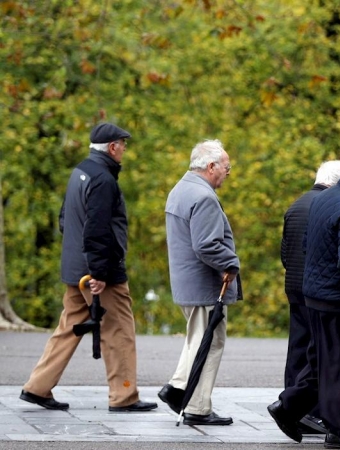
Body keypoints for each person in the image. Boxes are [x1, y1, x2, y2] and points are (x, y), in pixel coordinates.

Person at [20, 123, 158, 412]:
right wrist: (99, 272)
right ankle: (124, 396)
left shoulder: (80, 172)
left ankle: (37, 387)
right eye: (123, 144)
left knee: (69, 327)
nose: (124, 149)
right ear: (111, 147)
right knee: (119, 329)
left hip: (75, 267)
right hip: (97, 273)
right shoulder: (104, 181)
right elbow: (97, 230)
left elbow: (64, 219)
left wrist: (81, 262)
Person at [267, 148, 340, 450]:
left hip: (313, 298)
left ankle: (288, 408)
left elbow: (307, 246)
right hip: (335, 301)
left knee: (322, 364)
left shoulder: (322, 200)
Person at [158, 139, 241, 426]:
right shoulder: (203, 196)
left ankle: (179, 390)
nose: (228, 173)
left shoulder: (180, 189)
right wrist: (231, 263)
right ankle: (195, 405)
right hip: (204, 285)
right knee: (210, 342)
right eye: (227, 168)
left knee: (199, 339)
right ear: (211, 166)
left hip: (187, 283)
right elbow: (206, 245)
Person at [280, 160, 340, 436]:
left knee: (297, 349)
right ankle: (308, 412)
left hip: (293, 286)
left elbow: (285, 251)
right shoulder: (326, 207)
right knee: (318, 353)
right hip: (316, 291)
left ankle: (291, 409)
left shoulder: (296, 204)